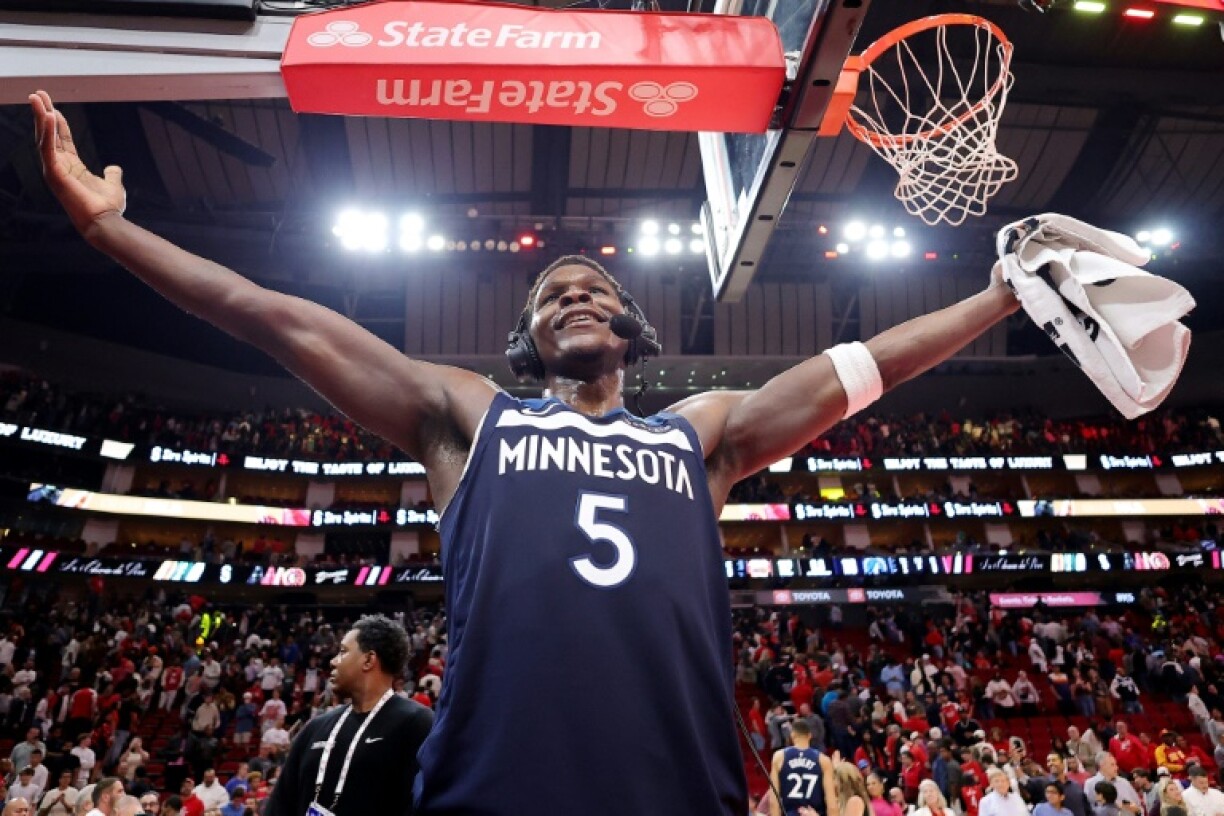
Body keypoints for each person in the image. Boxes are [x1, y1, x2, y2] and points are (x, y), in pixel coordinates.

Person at [29, 88, 1023, 814]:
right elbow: (274, 318)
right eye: (551, 295)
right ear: (527, 341)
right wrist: (117, 236)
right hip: (493, 795)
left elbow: (858, 370)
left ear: (631, 331)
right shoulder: (471, 416)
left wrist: (999, 296)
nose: (574, 293)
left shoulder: (700, 433)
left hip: (682, 796)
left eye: (593, 286)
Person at [265, 616, 433, 816]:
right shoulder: (314, 728)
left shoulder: (416, 723)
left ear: (369, 660)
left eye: (343, 652)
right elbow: (280, 805)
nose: (333, 661)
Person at [770, 720, 835, 816]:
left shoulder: (779, 757)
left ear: (792, 735)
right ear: (809, 736)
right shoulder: (823, 760)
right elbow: (832, 805)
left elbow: (773, 801)